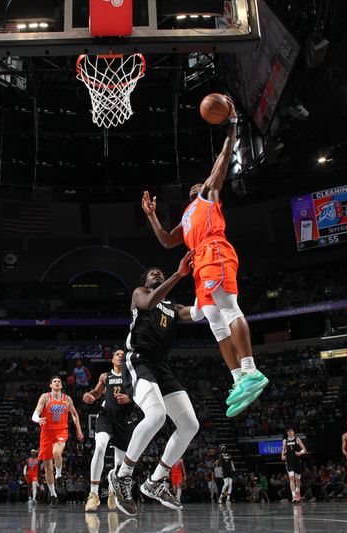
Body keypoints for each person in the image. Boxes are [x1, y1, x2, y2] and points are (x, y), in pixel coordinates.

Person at [141, 97, 267, 418]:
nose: (201, 182)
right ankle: (239, 378)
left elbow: (224, 158)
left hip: (216, 252)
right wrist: (153, 216)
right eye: (198, 182)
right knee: (214, 322)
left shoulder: (209, 196)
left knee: (228, 308)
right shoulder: (187, 215)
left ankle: (251, 369)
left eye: (205, 181)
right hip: (199, 262)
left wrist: (233, 125)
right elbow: (169, 241)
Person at [109, 258, 200, 516]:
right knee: (157, 415)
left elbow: (196, 313)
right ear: (146, 282)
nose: (156, 273)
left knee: (190, 425)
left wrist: (213, 293)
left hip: (162, 367)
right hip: (139, 359)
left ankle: (156, 481)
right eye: (151, 274)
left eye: (159, 272)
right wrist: (178, 274)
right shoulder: (141, 295)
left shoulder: (174, 307)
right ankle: (123, 475)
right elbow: (149, 303)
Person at [82, 349, 137, 512]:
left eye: (122, 355)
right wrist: (90, 395)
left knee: (119, 463)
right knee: (99, 448)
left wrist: (130, 398)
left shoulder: (132, 376)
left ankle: (113, 492)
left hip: (124, 420)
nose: (120, 356)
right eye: (117, 355)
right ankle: (93, 494)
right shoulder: (105, 376)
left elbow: (141, 396)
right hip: (106, 417)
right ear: (112, 360)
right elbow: (97, 392)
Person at [32, 376, 84, 505]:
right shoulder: (45, 397)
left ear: (61, 385)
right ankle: (53, 494)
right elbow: (35, 413)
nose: (57, 383)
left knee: (57, 453)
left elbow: (75, 414)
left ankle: (59, 474)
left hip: (61, 431)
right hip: (46, 434)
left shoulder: (67, 399)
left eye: (59, 381)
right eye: (54, 381)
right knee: (48, 469)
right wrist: (38, 419)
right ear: (51, 385)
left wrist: (78, 429)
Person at [281, 427, 307, 502]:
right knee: (291, 477)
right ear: (287, 433)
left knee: (298, 480)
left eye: (291, 431)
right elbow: (283, 449)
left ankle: (298, 492)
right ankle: (294, 496)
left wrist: (300, 452)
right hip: (289, 462)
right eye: (288, 431)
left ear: (293, 432)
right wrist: (282, 455)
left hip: (297, 462)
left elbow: (304, 449)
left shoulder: (297, 439)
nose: (290, 432)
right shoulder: (285, 441)